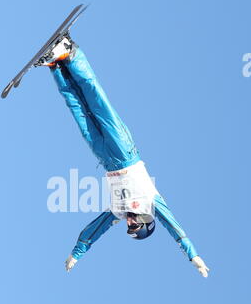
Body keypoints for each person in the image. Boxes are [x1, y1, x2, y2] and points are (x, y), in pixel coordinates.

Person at [40, 35, 209, 277]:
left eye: (130, 228)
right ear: (145, 221)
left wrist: (77, 253)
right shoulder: (152, 203)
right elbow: (175, 228)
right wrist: (193, 255)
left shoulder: (118, 211)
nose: (129, 224)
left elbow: (94, 230)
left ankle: (55, 65)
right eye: (134, 226)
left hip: (105, 158)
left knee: (78, 110)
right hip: (125, 152)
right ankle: (71, 53)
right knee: (98, 102)